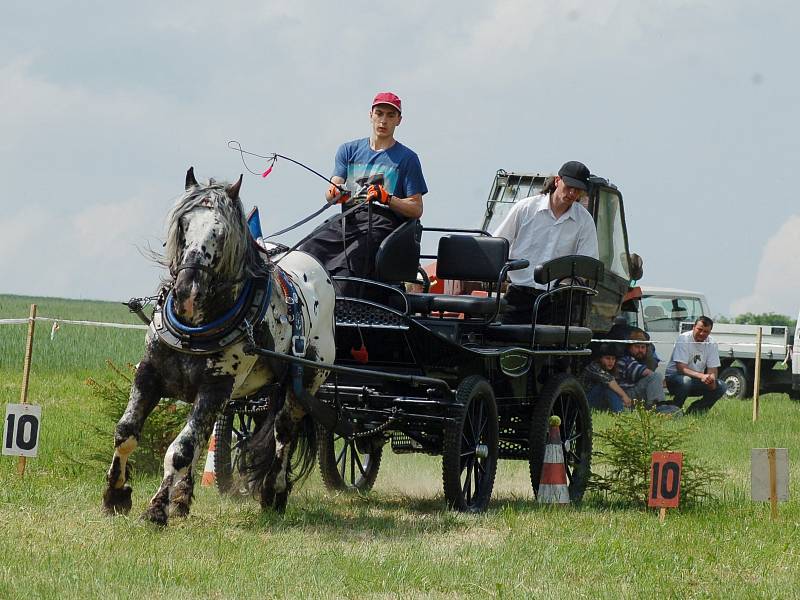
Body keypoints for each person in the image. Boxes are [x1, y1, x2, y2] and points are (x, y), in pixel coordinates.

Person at [299, 92, 428, 292]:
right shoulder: (348, 150)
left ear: (399, 121)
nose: (383, 120)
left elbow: (416, 208)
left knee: (348, 263)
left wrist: (388, 198)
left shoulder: (407, 158)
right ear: (371, 115)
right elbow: (332, 189)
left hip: (383, 224)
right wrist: (335, 193)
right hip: (348, 218)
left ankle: (342, 303)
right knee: (308, 250)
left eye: (390, 115)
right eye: (379, 113)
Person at [491, 160, 599, 324]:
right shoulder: (525, 208)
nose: (571, 193)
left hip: (557, 301)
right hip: (518, 296)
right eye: (568, 186)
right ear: (557, 181)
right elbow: (498, 244)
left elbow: (587, 264)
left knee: (551, 347)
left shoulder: (584, 221)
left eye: (577, 190)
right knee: (504, 342)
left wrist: (568, 283)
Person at [665, 316, 725, 414]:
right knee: (686, 380)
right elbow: (681, 368)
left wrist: (711, 379)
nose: (702, 334)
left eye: (706, 331)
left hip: (696, 380)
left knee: (722, 386)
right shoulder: (683, 338)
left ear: (710, 332)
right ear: (693, 327)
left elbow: (712, 369)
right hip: (674, 379)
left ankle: (695, 412)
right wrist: (702, 376)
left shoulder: (712, 343)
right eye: (699, 329)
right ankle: (674, 411)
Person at [616, 327, 670, 410]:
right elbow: (648, 374)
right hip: (625, 396)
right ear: (629, 347)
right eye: (637, 347)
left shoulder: (640, 361)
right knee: (655, 376)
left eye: (643, 347)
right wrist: (663, 382)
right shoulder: (625, 360)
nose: (640, 350)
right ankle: (658, 407)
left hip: (634, 395)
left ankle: (658, 406)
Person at [581, 344, 632, 413]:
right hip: (584, 402)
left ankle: (624, 411)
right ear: (600, 359)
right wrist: (624, 396)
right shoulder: (593, 367)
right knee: (606, 387)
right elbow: (609, 381)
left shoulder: (613, 370)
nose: (611, 362)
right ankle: (620, 413)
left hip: (599, 402)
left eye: (613, 359)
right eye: (607, 358)